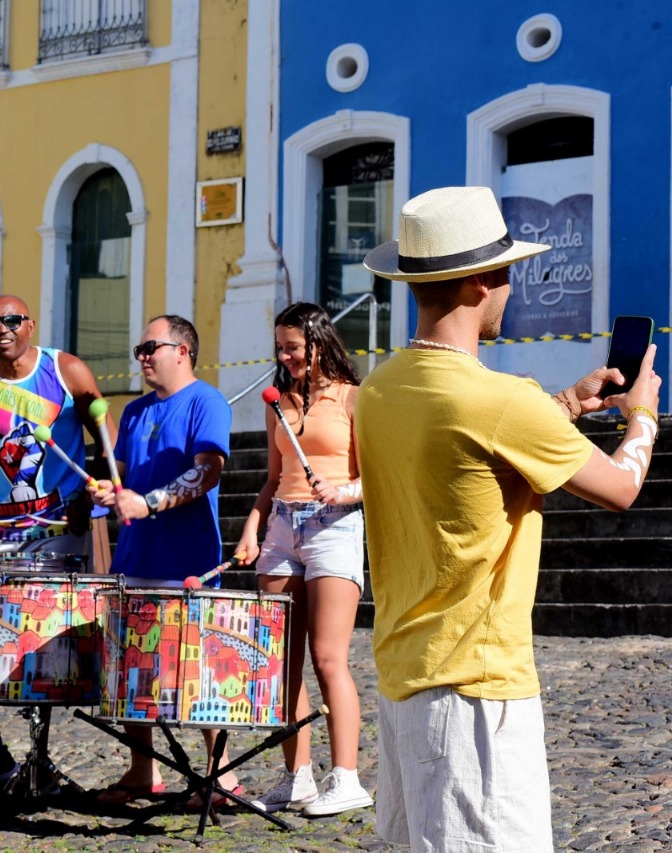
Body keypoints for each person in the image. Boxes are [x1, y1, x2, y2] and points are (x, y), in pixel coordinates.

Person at [358, 186, 662, 850]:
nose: (510, 286)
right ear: (476, 285)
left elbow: (468, 450)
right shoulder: (500, 400)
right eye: (504, 272)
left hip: (404, 677)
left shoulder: (377, 389)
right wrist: (642, 414)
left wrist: (569, 403)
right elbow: (620, 488)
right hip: (478, 691)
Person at [0, 294, 113, 788]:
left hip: (60, 530)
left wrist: (92, 497)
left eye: (12, 320)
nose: (2, 328)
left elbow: (107, 439)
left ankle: (39, 757)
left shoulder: (66, 369)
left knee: (50, 648)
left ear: (30, 325)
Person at [90, 314, 238, 806]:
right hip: (136, 555)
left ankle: (221, 777)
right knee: (135, 671)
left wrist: (149, 503)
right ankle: (141, 771)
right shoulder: (131, 412)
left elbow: (208, 472)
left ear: (183, 350)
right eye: (140, 348)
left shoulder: (206, 401)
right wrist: (111, 494)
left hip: (186, 560)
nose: (143, 356)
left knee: (194, 673)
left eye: (151, 346)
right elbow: (130, 477)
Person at [235, 303, 372, 817]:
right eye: (280, 347)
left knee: (328, 657)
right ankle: (297, 780)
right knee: (280, 661)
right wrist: (252, 527)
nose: (285, 355)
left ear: (319, 341)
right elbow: (272, 480)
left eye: (293, 346)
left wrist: (343, 491)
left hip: (334, 527)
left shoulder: (355, 398)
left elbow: (376, 477)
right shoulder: (282, 403)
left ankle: (347, 778)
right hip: (281, 528)